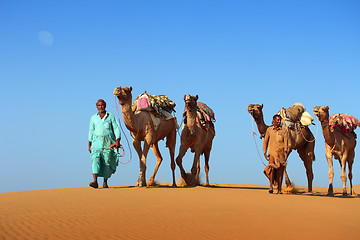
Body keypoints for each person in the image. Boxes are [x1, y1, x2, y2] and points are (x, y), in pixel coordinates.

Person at [88, 99, 121, 188]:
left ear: (105, 106)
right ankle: (95, 181)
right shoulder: (93, 118)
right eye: (99, 105)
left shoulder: (111, 117)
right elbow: (91, 131)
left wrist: (118, 140)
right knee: (95, 160)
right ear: (96, 106)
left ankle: (105, 182)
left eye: (102, 105)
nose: (100, 107)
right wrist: (89, 144)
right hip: (96, 144)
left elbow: (116, 129)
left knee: (107, 163)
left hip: (108, 144)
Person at [263, 114, 289, 194]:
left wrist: (285, 151)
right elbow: (265, 141)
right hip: (272, 153)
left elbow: (286, 142)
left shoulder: (284, 130)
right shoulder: (269, 130)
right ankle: (271, 187)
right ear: (273, 120)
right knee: (272, 169)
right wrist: (265, 152)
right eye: (277, 120)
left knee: (280, 172)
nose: (279, 121)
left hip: (280, 154)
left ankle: (279, 189)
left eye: (279, 120)